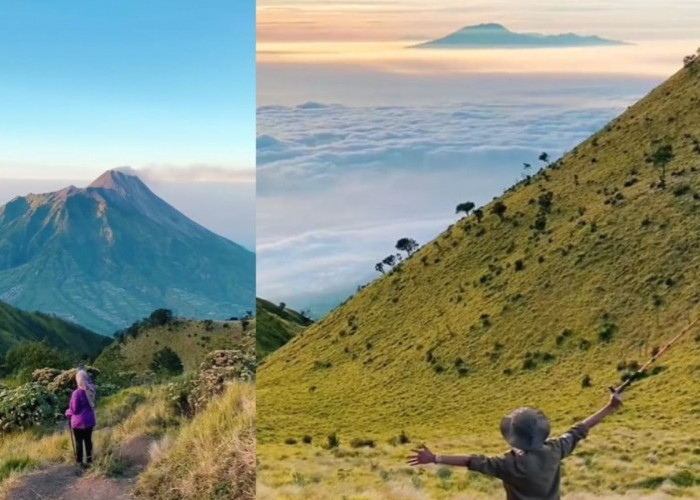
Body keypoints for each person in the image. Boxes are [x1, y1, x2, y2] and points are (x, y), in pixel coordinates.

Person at [407, 391, 623, 500]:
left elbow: (471, 461)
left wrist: (435, 458)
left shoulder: (508, 464)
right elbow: (581, 429)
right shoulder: (556, 449)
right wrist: (610, 406)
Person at [65, 368, 97, 468]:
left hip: (78, 422)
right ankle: (90, 460)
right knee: (88, 440)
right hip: (89, 420)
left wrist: (67, 412)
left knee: (79, 442)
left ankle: (79, 462)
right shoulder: (91, 389)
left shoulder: (76, 393)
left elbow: (74, 410)